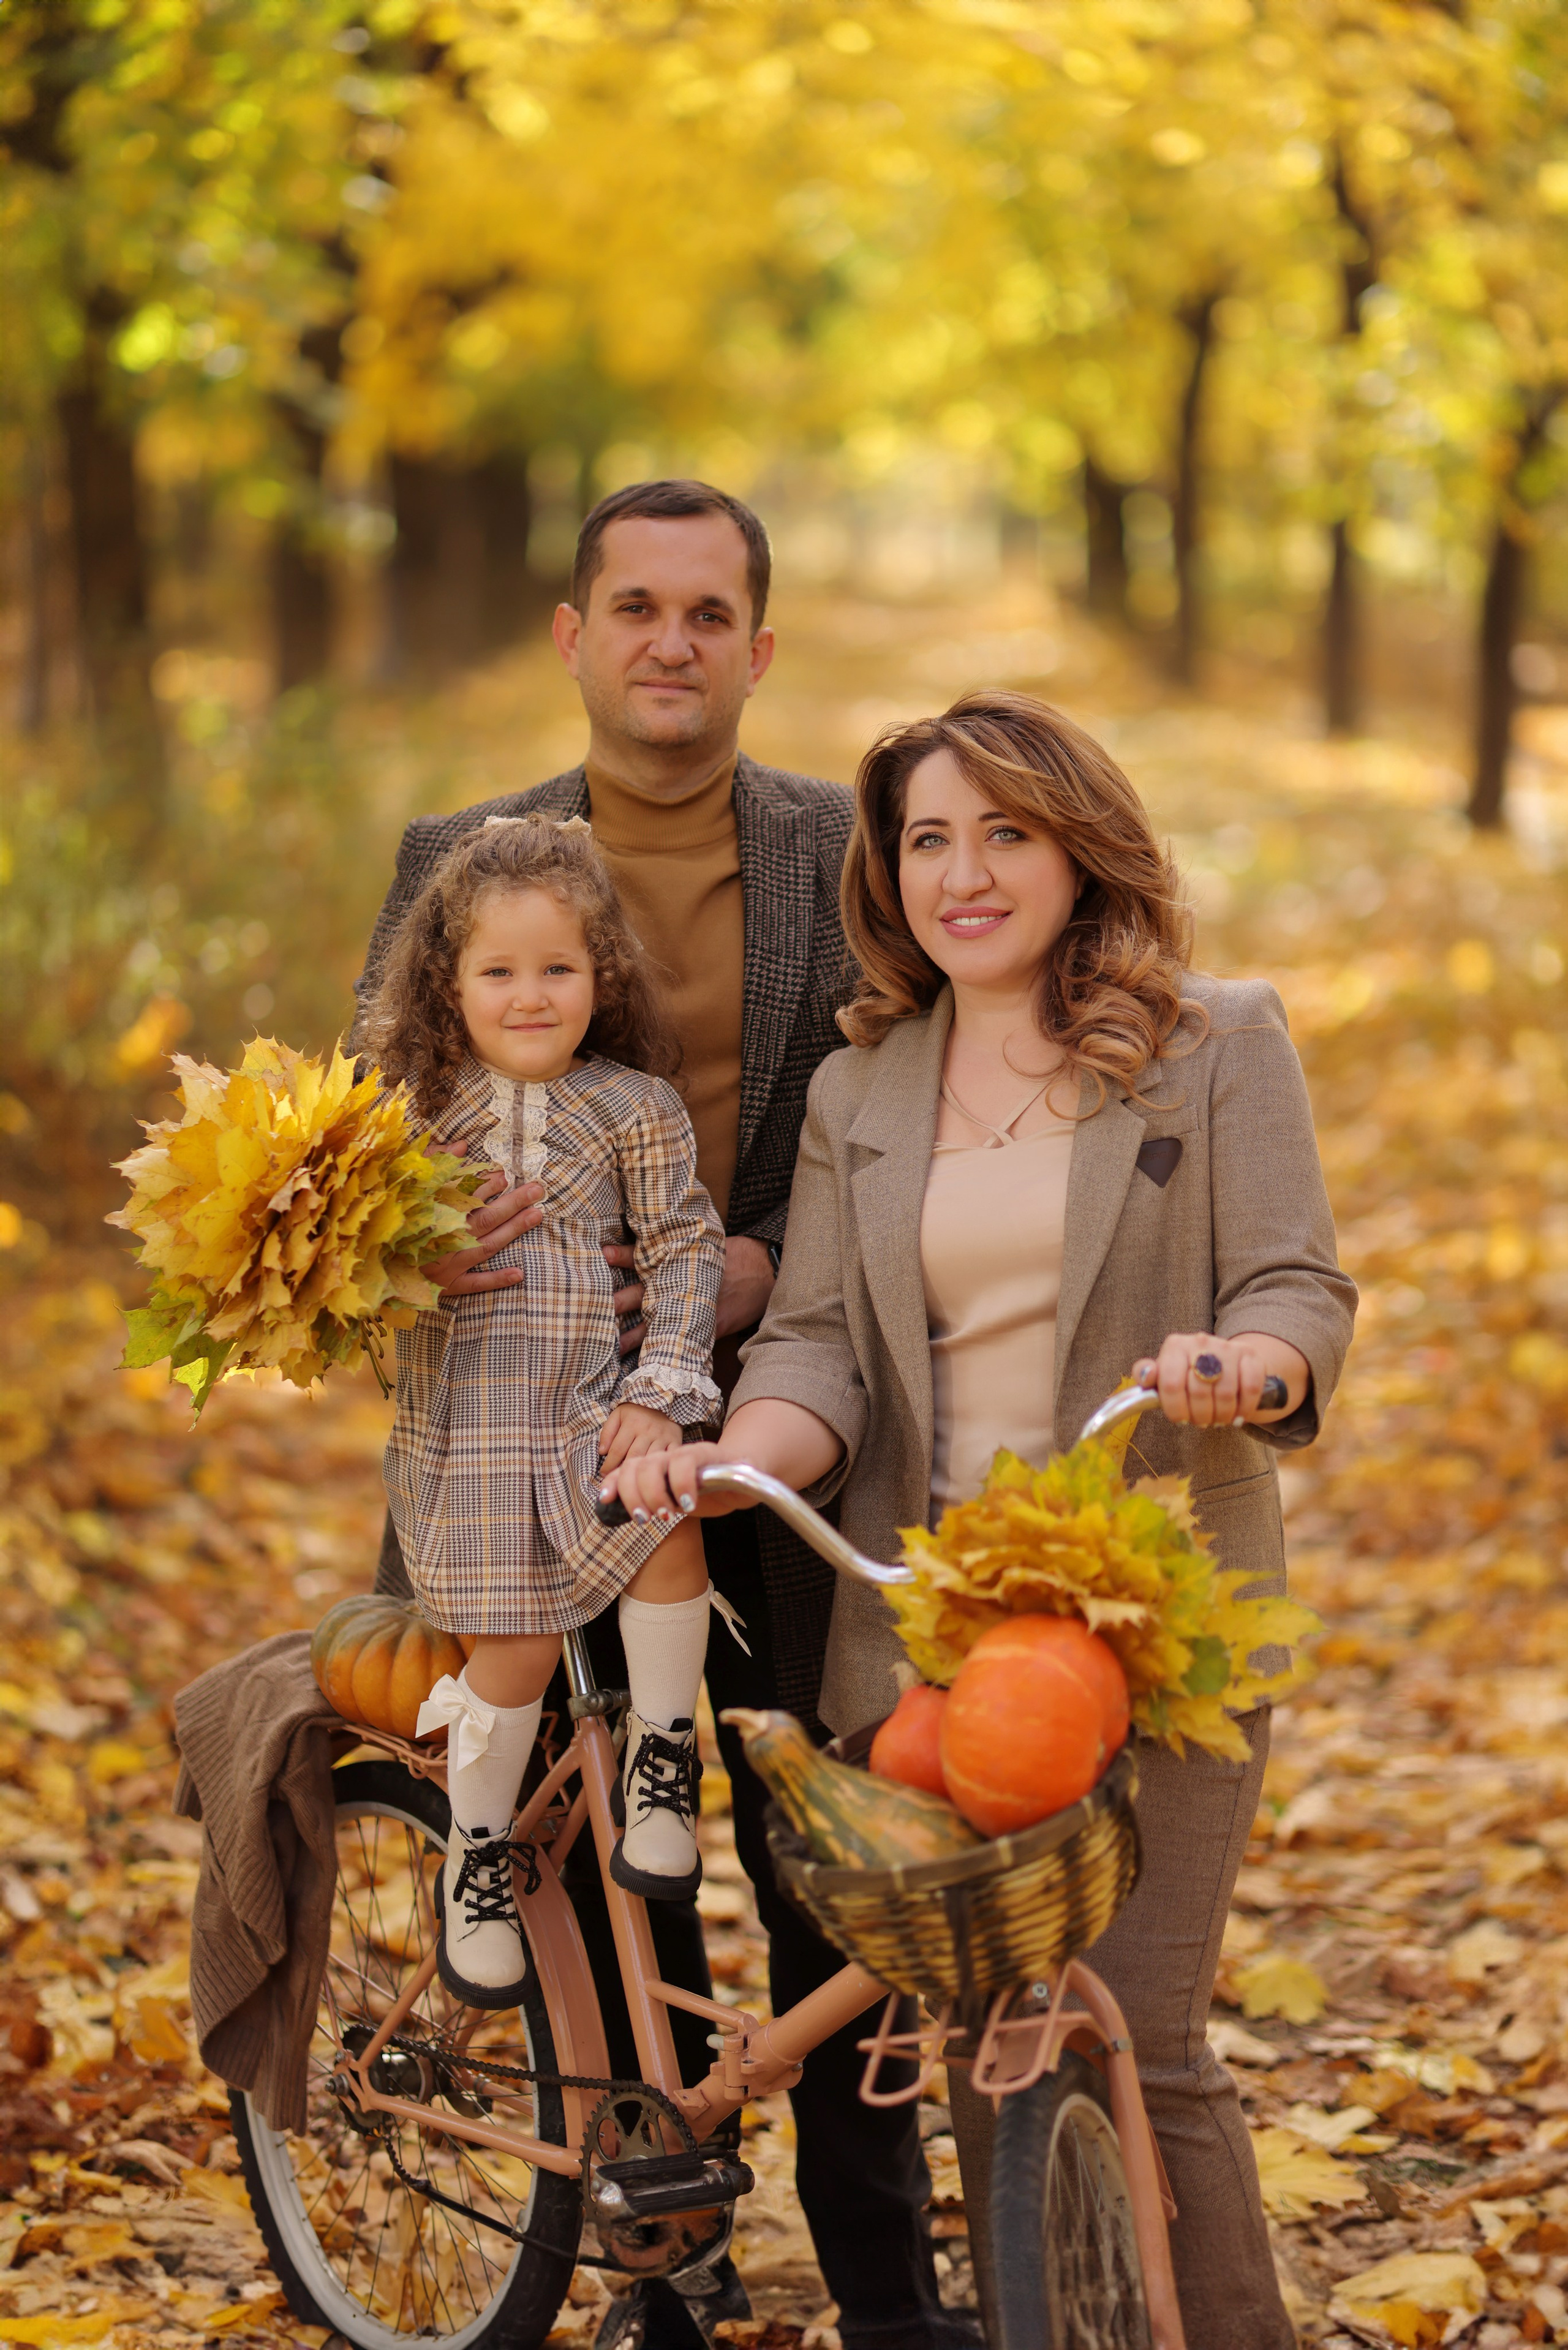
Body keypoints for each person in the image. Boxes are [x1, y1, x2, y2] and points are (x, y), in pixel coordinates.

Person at [603, 690, 1359, 2350]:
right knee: (985, 2036)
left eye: (1005, 832)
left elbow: (1299, 1280)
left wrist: (1252, 1361)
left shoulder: (1217, 1040)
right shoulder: (867, 1081)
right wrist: (751, 1454)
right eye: (929, 839)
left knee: (1142, 2032)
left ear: (1078, 849)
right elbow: (811, 1340)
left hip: (1156, 1614)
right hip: (929, 1625)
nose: (965, 872)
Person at [356, 482, 972, 2350]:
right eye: (635, 604)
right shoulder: (462, 853)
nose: (670, 641)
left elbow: (902, 1112)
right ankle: (662, 2263)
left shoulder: (831, 848)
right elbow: (364, 1139)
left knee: (818, 1831)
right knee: (595, 1838)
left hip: (782, 1393)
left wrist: (756, 1274)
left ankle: (886, 2282)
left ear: (759, 648)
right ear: (573, 633)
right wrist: (417, 1244)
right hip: (520, 1416)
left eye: (711, 612)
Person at [360, 815, 730, 2003]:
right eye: (498, 971)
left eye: (557, 967)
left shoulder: (634, 1108)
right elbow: (332, 1274)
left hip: (589, 1414)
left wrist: (663, 1396)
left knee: (669, 1517)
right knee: (511, 1651)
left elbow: (684, 1251)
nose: (530, 995)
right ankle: (474, 1850)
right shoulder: (405, 1120)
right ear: (446, 982)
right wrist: (397, 1259)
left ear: (602, 974)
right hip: (465, 1439)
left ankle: (664, 1762)